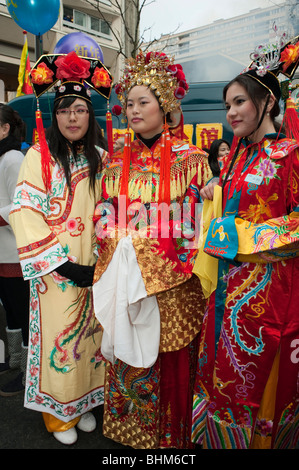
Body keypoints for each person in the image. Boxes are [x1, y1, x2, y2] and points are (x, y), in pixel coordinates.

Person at [92, 50, 212, 449]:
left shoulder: (192, 161)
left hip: (172, 289)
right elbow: (102, 218)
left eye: (144, 101)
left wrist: (139, 242)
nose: (134, 109)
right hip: (128, 285)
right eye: (129, 103)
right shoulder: (114, 163)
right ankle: (132, 436)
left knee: (171, 362)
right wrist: (118, 239)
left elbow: (195, 227)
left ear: (165, 106)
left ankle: (171, 442)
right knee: (130, 359)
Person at [192, 32, 299, 449]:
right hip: (225, 291)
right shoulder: (238, 154)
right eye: (228, 104)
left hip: (268, 295)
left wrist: (244, 237)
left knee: (258, 383)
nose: (231, 112)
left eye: (240, 102)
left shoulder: (290, 154)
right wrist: (215, 194)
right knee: (219, 374)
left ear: (268, 102)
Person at [9, 51, 113, 445]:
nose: (72, 117)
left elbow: (113, 210)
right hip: (55, 272)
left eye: (80, 109)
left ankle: (84, 404)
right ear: (54, 115)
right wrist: (63, 265)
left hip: (95, 268)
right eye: (65, 109)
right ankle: (57, 415)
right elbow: (25, 213)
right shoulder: (39, 156)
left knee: (93, 338)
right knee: (59, 339)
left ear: (90, 116)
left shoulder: (102, 158)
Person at [0, 104, 30, 396]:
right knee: (10, 311)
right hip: (2, 250)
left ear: (5, 128)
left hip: (14, 251)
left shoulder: (12, 158)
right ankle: (15, 361)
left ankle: (27, 374)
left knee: (22, 313)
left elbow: (18, 203)